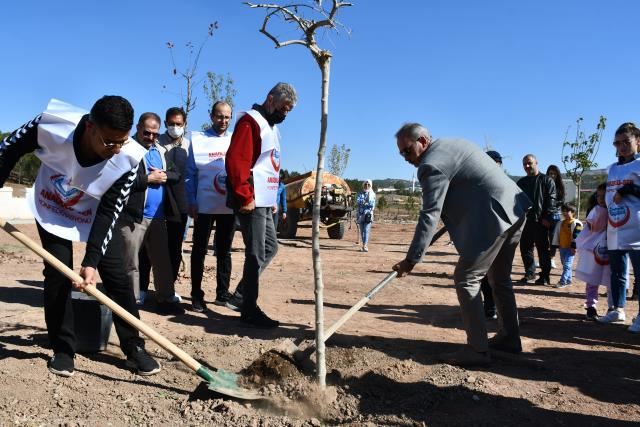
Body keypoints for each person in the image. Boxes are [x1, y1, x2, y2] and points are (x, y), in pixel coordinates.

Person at [0, 97, 160, 377]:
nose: (117, 149)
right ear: (90, 127)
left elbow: (110, 211)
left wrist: (91, 261)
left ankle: (134, 347)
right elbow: (6, 152)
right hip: (52, 204)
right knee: (57, 272)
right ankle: (63, 348)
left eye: (122, 141)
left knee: (116, 275)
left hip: (97, 210)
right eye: (110, 141)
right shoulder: (50, 125)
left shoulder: (129, 158)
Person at [392, 123, 531, 366]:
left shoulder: (430, 164)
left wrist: (411, 259)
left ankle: (477, 351)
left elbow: (429, 214)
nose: (405, 158)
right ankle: (509, 338)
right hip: (514, 210)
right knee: (499, 279)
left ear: (422, 141)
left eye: (407, 150)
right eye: (401, 153)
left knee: (466, 277)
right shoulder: (451, 144)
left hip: (495, 218)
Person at [225, 82, 297, 328]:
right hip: (251, 200)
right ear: (270, 99)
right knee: (255, 253)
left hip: (265, 201)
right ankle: (248, 309)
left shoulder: (271, 127)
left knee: (270, 247)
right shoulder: (251, 122)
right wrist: (244, 196)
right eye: (283, 108)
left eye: (289, 111)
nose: (285, 114)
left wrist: (274, 199)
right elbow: (237, 161)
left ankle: (241, 296)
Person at [119, 113, 184, 315]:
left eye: (155, 134)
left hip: (157, 217)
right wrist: (148, 179)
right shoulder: (126, 150)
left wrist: (164, 176)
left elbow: (176, 174)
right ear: (138, 128)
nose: (151, 137)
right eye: (147, 133)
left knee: (162, 261)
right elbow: (122, 181)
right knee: (131, 261)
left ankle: (166, 297)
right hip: (134, 216)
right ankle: (130, 301)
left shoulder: (160, 151)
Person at [185, 101, 235, 312]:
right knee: (199, 250)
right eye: (219, 116)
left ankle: (222, 293)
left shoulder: (235, 139)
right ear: (211, 116)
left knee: (224, 251)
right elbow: (189, 174)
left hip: (228, 206)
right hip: (203, 206)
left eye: (227, 117)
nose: (223, 121)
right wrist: (191, 201)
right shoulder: (197, 139)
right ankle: (196, 293)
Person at [598, 122, 640, 333]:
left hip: (636, 228)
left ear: (638, 142)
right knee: (617, 272)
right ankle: (617, 309)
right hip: (615, 226)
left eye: (626, 142)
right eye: (617, 143)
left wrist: (627, 189)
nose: (621, 147)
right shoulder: (613, 168)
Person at [158, 107, 191, 285]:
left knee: (175, 246)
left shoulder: (189, 146)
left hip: (179, 204)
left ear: (184, 124)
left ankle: (169, 286)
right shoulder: (156, 143)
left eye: (179, 124)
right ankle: (142, 289)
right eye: (171, 124)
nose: (175, 127)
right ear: (165, 124)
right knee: (151, 246)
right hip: (157, 201)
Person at [517, 154, 557, 285]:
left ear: (536, 162)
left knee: (543, 249)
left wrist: (547, 217)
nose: (527, 166)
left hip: (541, 221)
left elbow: (551, 200)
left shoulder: (547, 180)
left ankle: (545, 276)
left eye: (529, 163)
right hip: (525, 221)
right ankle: (530, 273)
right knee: (525, 248)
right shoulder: (521, 183)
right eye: (525, 164)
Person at [575, 184, 610, 320]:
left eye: (604, 196)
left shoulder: (615, 209)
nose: (600, 199)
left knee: (611, 279)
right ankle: (591, 307)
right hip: (594, 249)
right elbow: (591, 228)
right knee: (592, 280)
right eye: (598, 196)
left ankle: (612, 308)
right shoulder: (596, 210)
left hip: (610, 249)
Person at [550, 203, 583, 288]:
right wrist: (556, 245)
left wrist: (574, 247)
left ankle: (562, 282)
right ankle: (568, 280)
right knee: (565, 264)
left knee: (567, 265)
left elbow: (578, 236)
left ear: (572, 212)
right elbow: (557, 234)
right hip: (562, 247)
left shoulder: (577, 223)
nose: (564, 213)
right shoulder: (560, 223)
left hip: (570, 248)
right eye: (563, 211)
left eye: (567, 211)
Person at [546, 165, 565, 269]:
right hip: (544, 216)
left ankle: (551, 259)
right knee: (543, 240)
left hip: (555, 216)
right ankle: (544, 259)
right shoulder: (544, 184)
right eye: (550, 173)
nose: (552, 175)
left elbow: (562, 201)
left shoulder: (560, 187)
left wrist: (552, 207)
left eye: (554, 173)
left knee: (553, 239)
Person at [356, 179, 376, 252]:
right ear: (363, 185)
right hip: (360, 214)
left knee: (366, 230)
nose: (367, 186)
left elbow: (372, 204)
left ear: (370, 185)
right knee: (362, 231)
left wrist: (364, 202)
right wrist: (365, 202)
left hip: (368, 214)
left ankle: (365, 246)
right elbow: (358, 201)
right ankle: (363, 244)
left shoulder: (372, 194)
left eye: (368, 185)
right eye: (365, 184)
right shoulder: (360, 193)